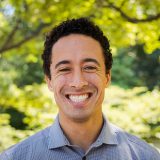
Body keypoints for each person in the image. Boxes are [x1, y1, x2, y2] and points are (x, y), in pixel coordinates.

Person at [0, 18, 160, 160]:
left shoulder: (146, 156)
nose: (78, 82)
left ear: (107, 77)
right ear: (49, 81)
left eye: (89, 67)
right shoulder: (14, 157)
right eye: (64, 69)